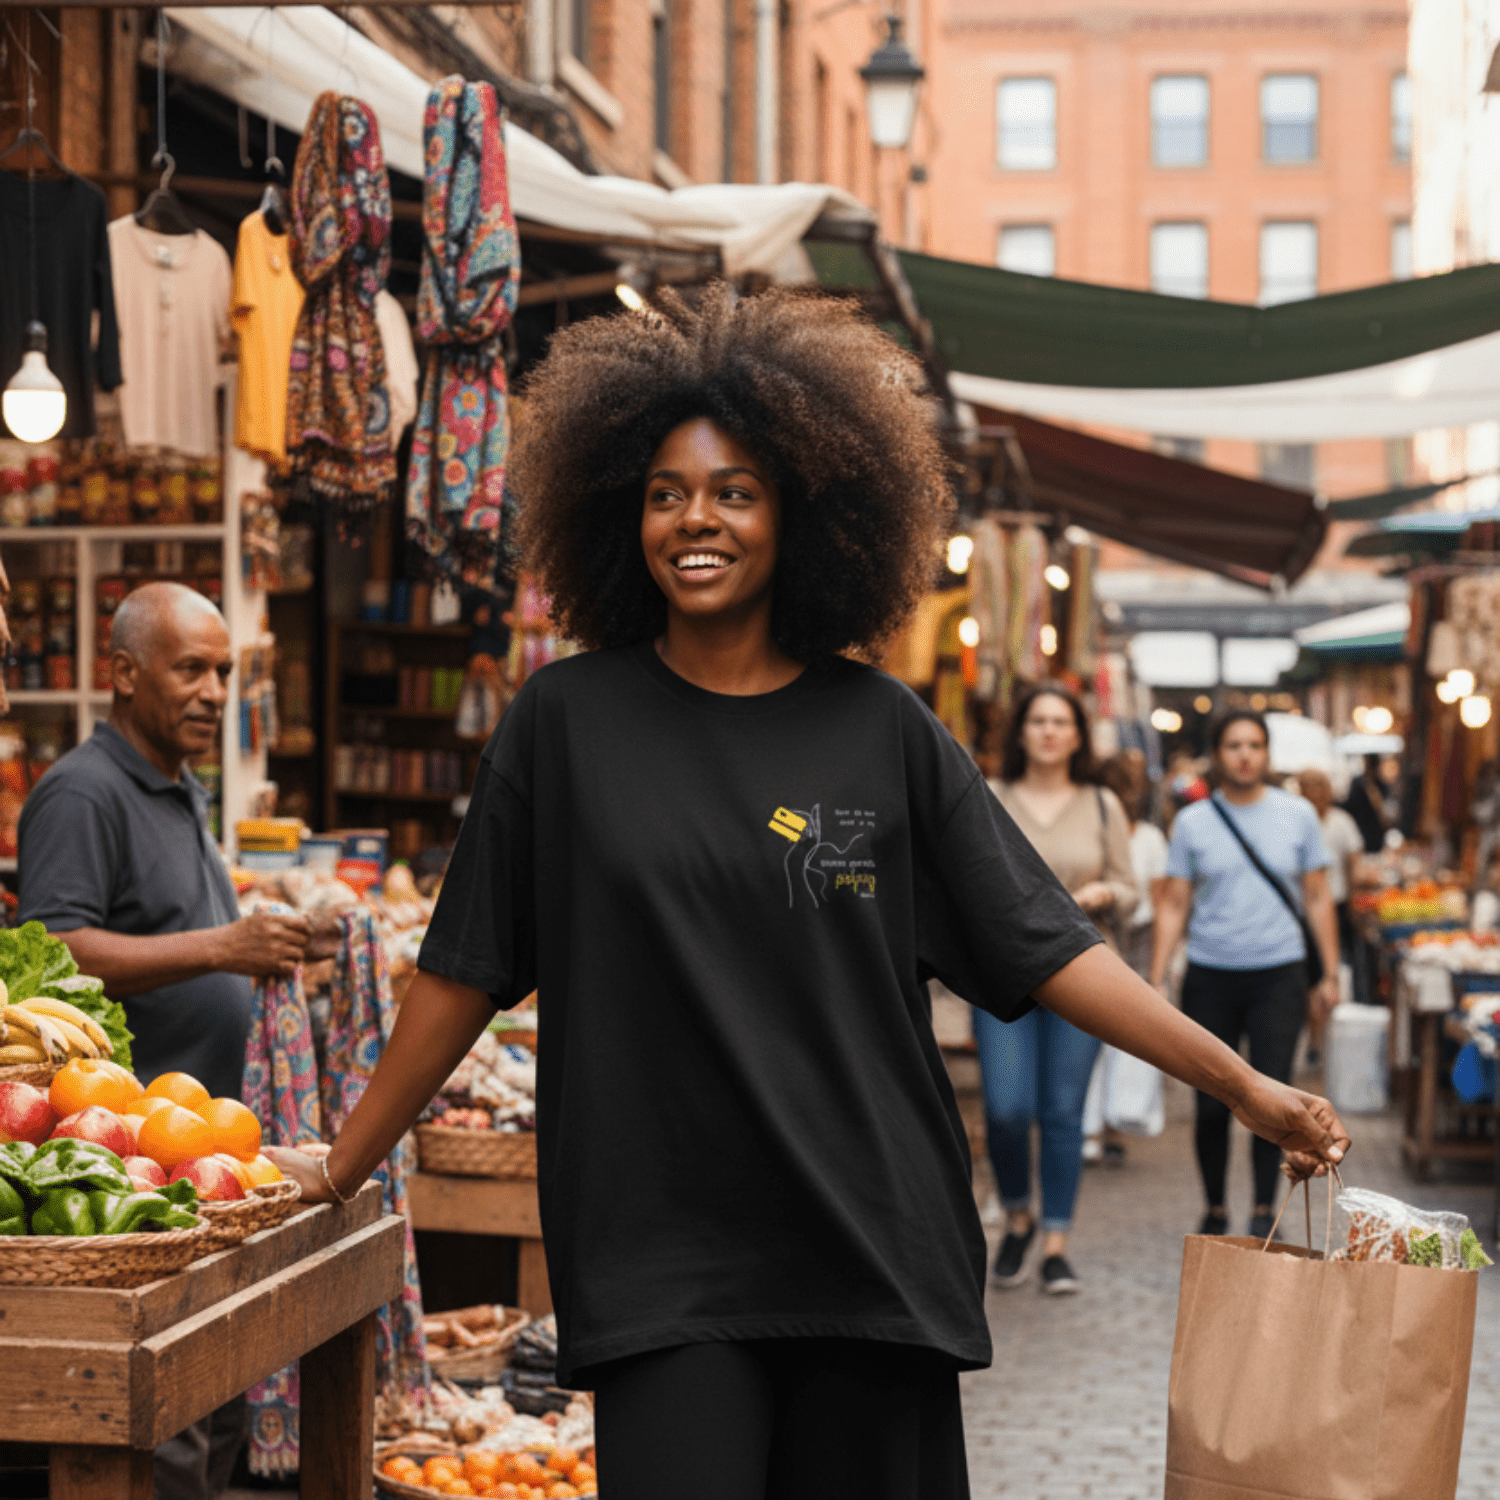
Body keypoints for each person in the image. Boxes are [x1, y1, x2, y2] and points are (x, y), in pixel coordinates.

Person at [267, 289, 1348, 1500]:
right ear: (621, 511)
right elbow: (461, 972)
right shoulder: (563, 726)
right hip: (659, 1258)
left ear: (805, 514)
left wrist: (1245, 1084)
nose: (697, 519)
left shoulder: (882, 728)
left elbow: (1048, 949)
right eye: (666, 492)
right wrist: (342, 1163)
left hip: (868, 1246)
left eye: (735, 491)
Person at [16, 580, 318, 1500]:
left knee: (211, 1414)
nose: (214, 692)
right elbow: (56, 945)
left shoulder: (179, 788)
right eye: (191, 669)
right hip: (129, 1185)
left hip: (203, 1176)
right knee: (165, 1440)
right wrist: (227, 947)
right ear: (122, 673)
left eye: (223, 672)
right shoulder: (82, 792)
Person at [1150, 710, 1342, 1242]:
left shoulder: (1298, 815)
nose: (1244, 755)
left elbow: (1319, 897)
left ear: (1267, 753)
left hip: (1279, 974)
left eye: (1255, 744)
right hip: (1211, 973)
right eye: (1234, 744)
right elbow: (1173, 904)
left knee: (1273, 1092)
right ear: (1217, 753)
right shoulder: (1192, 822)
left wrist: (1329, 971)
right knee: (1210, 1101)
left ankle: (1263, 1208)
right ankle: (1214, 1207)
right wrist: (1157, 974)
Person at [978, 685, 1136, 1294]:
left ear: (1077, 735)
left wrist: (1104, 895)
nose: (1048, 731)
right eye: (1037, 721)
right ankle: (1016, 1214)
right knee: (1007, 1107)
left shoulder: (1101, 804)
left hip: (1084, 972)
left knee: (1063, 1111)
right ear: (1020, 733)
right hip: (1004, 976)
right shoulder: (990, 799)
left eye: (1060, 722)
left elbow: (1130, 887)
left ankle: (1055, 1242)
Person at [1083, 751, 1170, 1164]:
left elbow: (1157, 897)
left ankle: (1098, 1127)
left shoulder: (1141, 836)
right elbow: (1159, 898)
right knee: (1121, 1036)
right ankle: (1110, 1124)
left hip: (1116, 937)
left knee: (1102, 1035)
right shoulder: (1148, 837)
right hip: (1127, 939)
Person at [1298, 767, 1367, 1022]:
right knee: (1307, 975)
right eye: (1309, 787)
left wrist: (1354, 902)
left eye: (1319, 787)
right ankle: (1313, 1029)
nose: (1315, 793)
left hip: (1335, 904)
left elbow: (1354, 866)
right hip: (1300, 909)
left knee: (1331, 970)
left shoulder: (1341, 822)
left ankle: (1326, 1031)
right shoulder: (1296, 822)